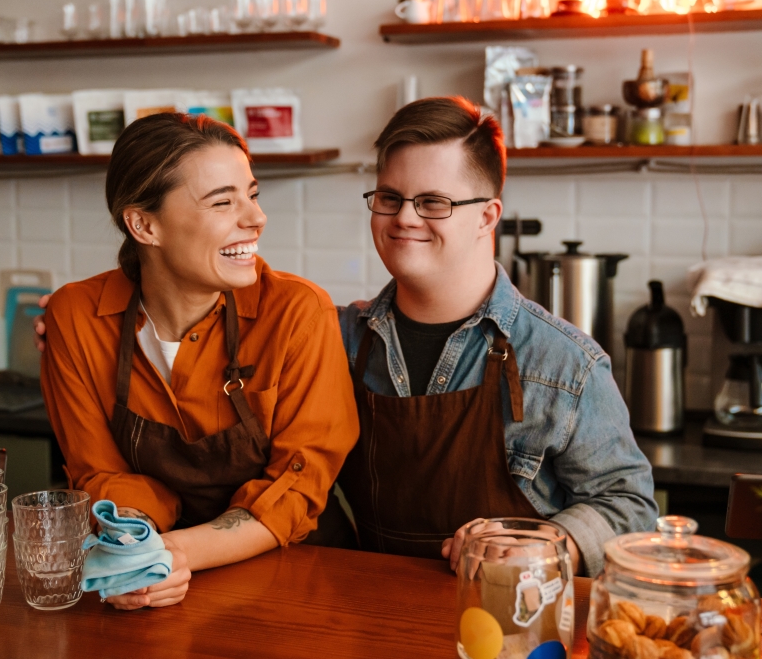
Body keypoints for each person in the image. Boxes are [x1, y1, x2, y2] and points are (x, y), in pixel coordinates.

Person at [40, 113, 359, 611]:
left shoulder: (297, 313)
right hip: (162, 591)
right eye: (223, 202)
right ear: (144, 224)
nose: (255, 219)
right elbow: (100, 475)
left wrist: (166, 554)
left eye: (251, 194)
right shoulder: (77, 318)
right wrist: (131, 551)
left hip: (301, 584)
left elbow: (294, 487)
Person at [336, 96, 657, 577]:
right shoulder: (341, 340)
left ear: (487, 216)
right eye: (389, 198)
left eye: (432, 202)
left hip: (516, 629)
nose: (404, 218)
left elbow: (629, 506)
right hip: (368, 624)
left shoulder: (564, 363)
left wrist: (549, 545)